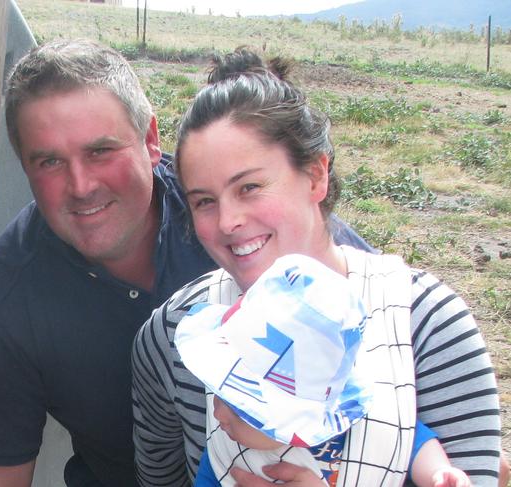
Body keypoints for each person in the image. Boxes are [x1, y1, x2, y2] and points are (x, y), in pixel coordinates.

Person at [0, 39, 374, 487]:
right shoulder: (15, 287)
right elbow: (0, 469)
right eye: (49, 161)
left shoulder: (233, 220)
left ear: (151, 140)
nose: (81, 185)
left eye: (101, 150)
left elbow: (392, 346)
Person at [131, 49, 503, 486]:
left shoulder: (426, 323)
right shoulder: (171, 337)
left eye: (250, 187)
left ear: (316, 175)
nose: (228, 221)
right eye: (204, 202)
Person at [175, 254, 472, 487]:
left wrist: (438, 472)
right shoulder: (225, 448)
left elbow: (411, 439)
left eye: (241, 408)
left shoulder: (358, 423)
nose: (217, 414)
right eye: (219, 392)